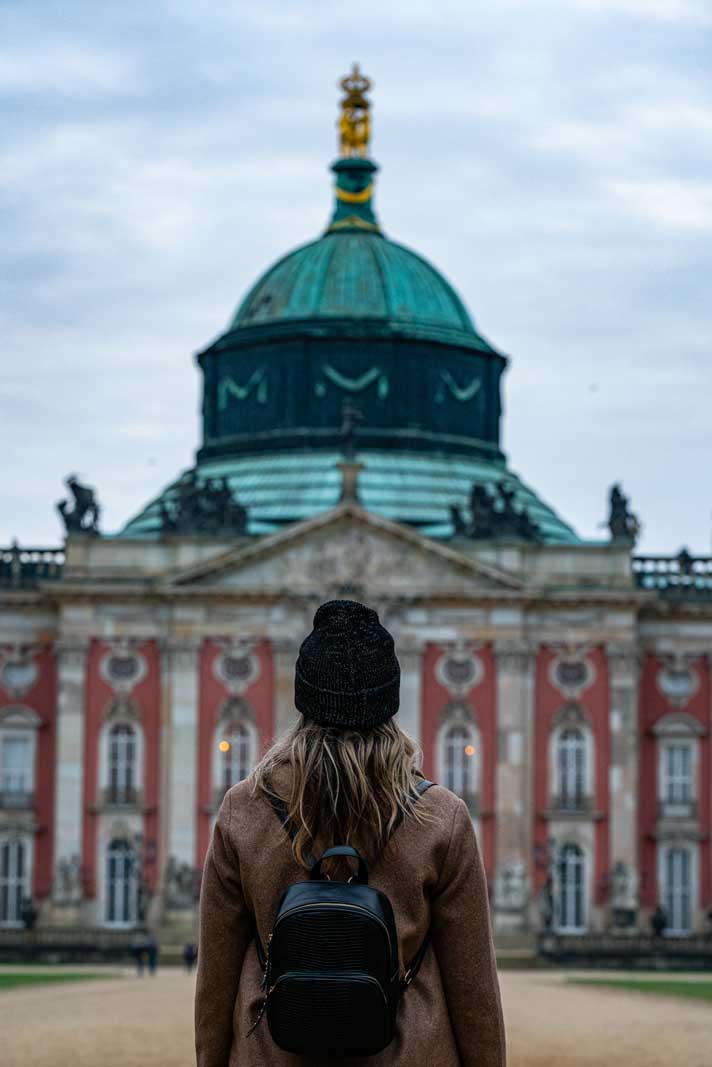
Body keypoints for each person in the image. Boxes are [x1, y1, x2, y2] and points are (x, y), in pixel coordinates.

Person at [195, 599, 506, 1066]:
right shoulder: (441, 817)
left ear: (304, 701)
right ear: (389, 705)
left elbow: (215, 986)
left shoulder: (244, 810)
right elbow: (475, 993)